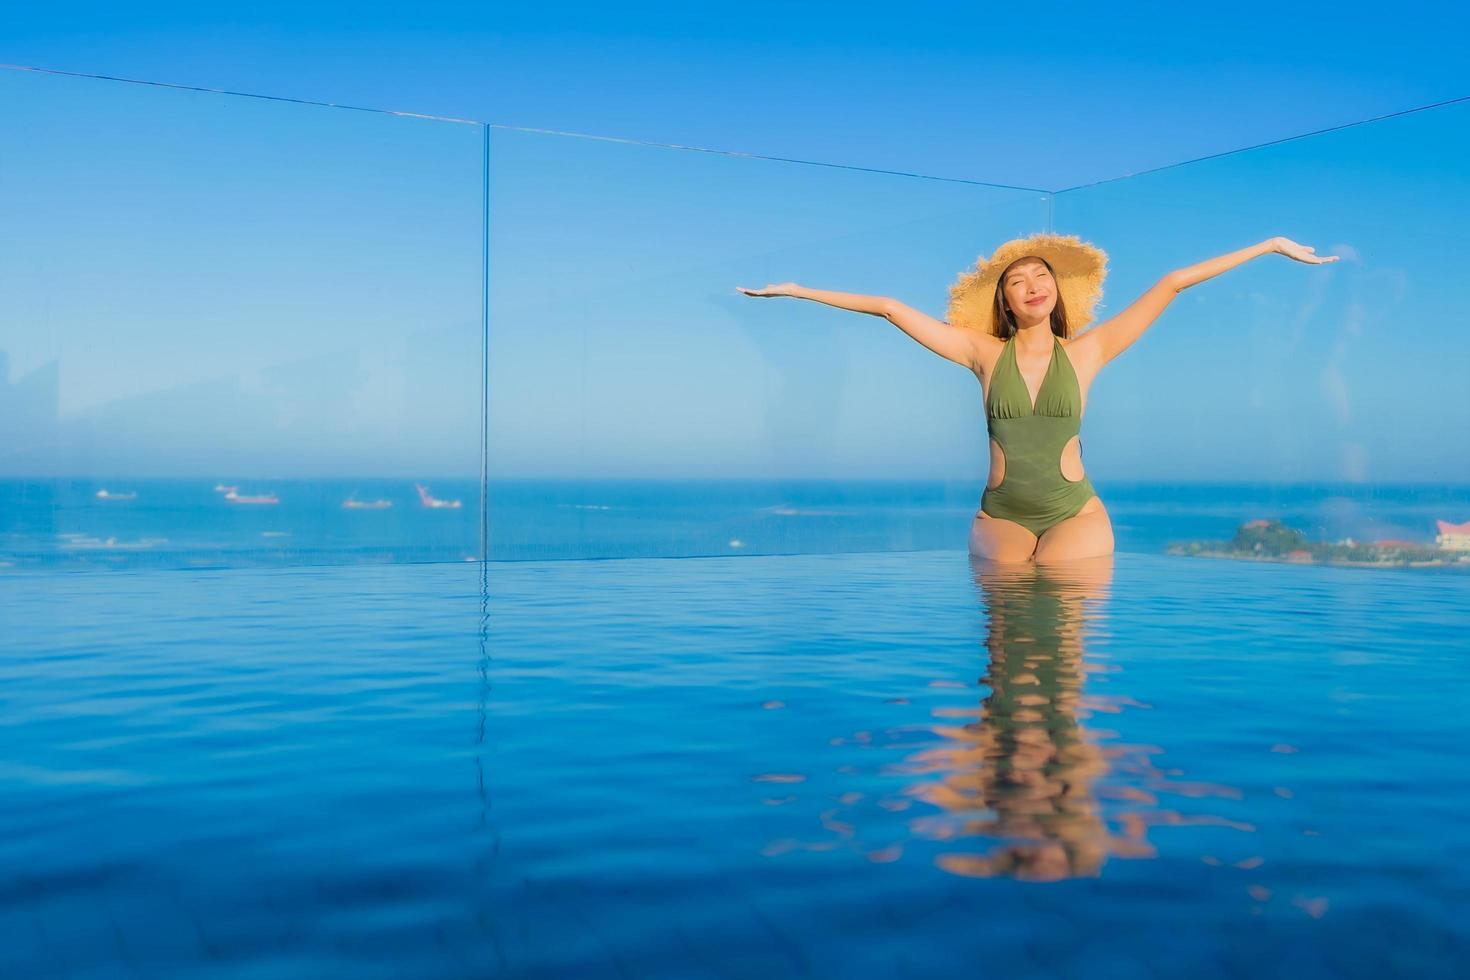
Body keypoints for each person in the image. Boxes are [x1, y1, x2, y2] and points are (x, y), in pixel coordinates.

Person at [739, 232, 1336, 562]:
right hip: (1000, 516)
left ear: (1056, 291)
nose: (1031, 284)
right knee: (1006, 642)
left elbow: (1173, 282)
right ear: (1004, 300)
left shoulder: (1089, 351)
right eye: (1017, 280)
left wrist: (1269, 246)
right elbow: (891, 308)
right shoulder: (980, 353)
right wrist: (795, 290)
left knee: (1063, 634)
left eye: (1040, 275)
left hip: (1075, 512)